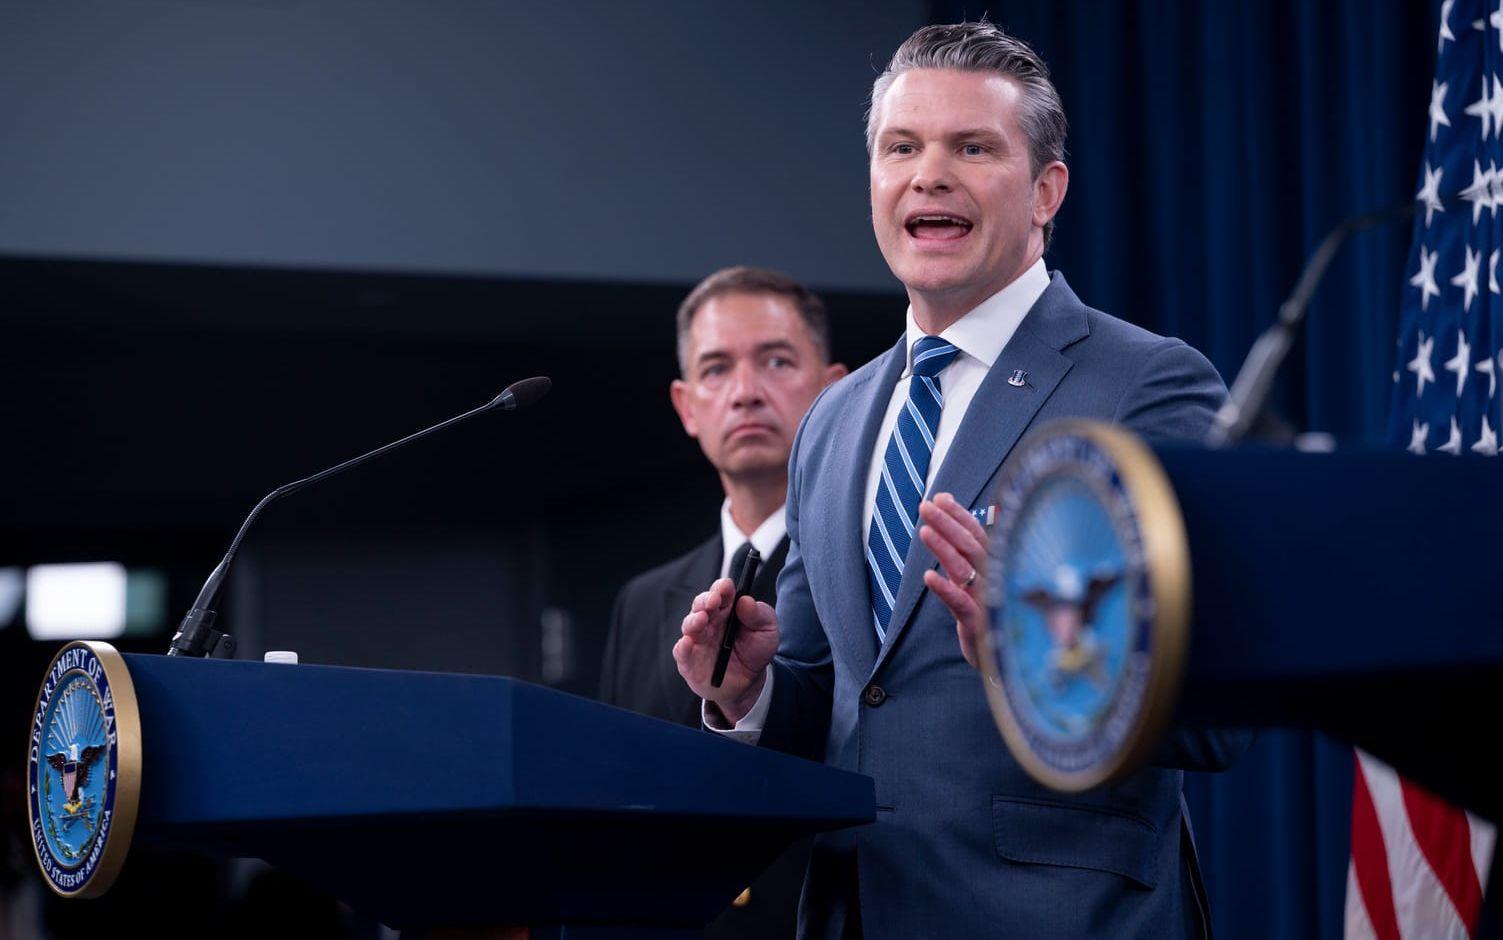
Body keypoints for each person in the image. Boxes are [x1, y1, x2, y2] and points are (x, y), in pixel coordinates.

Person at [673, 22, 1248, 940]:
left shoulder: (1147, 385)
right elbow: (832, 699)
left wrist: (1034, 653)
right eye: (901, 148)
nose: (927, 174)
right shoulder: (833, 418)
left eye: (971, 147)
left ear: (1045, 190)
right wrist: (748, 695)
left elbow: (1219, 713)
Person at [599, 265, 846, 938]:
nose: (744, 392)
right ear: (685, 406)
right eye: (715, 369)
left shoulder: (876, 570)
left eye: (775, 361)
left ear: (833, 390)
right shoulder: (643, 601)